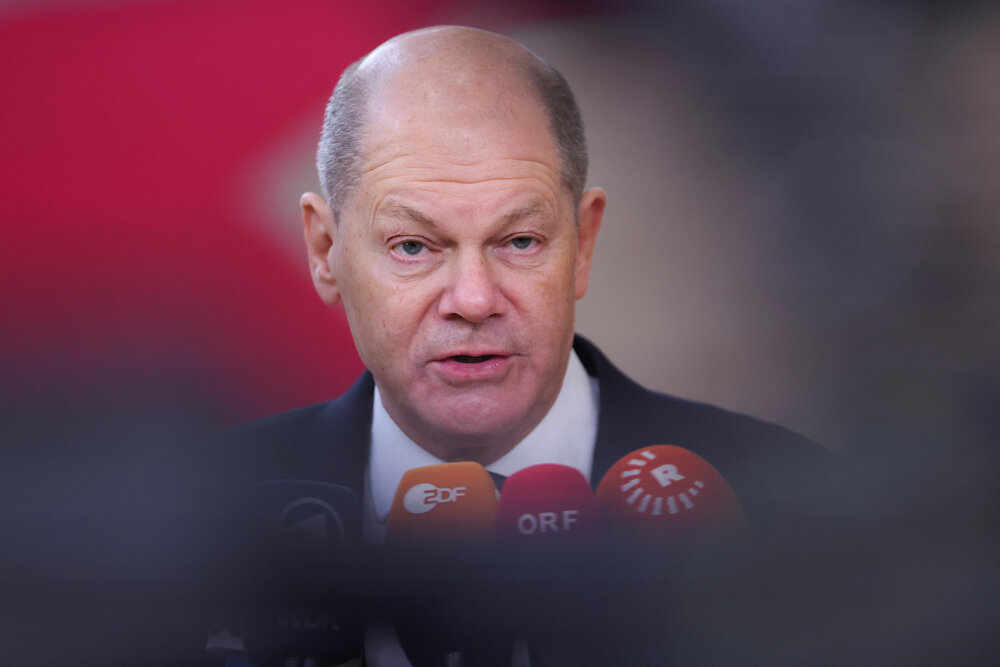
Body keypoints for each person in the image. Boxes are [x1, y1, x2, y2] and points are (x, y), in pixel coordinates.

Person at [218, 25, 838, 666]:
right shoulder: (198, 517)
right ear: (326, 252)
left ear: (582, 244)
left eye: (520, 241)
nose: (473, 299)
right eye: (413, 246)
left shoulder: (792, 502)